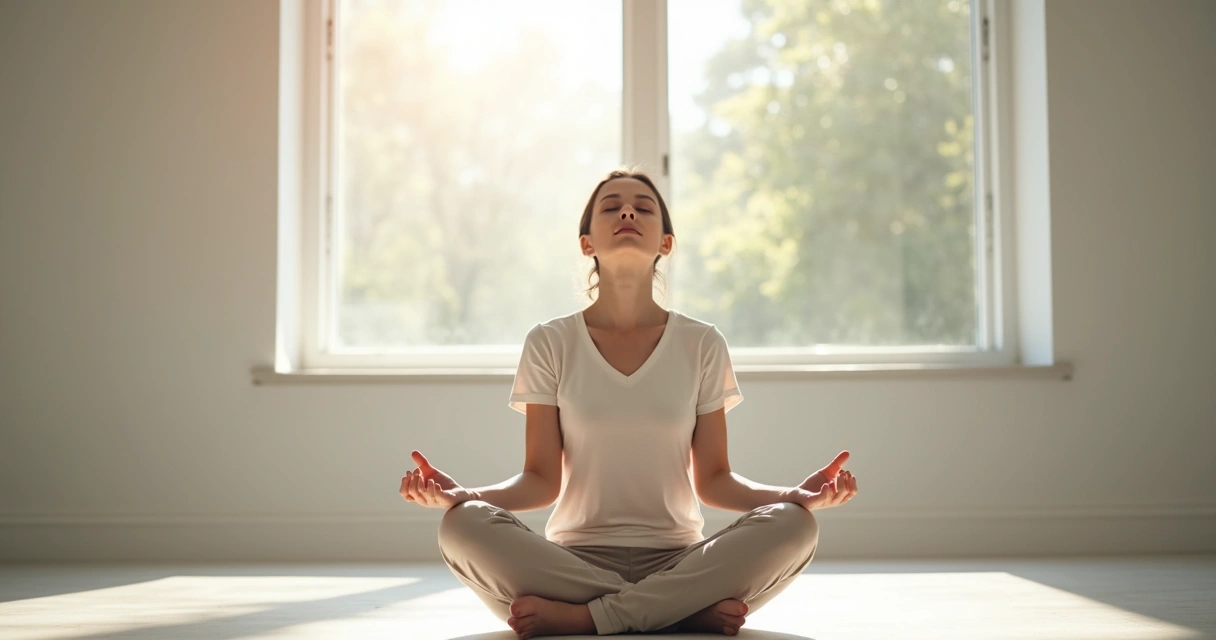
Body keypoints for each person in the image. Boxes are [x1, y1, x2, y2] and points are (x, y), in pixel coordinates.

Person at [399, 167, 859, 639]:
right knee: (461, 526)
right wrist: (466, 497)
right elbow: (540, 482)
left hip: (681, 559)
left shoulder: (701, 343)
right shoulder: (549, 342)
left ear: (665, 242)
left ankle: (593, 617)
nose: (626, 211)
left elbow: (716, 482)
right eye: (611, 205)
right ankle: (676, 611)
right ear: (586, 243)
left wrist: (791, 497)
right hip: (569, 563)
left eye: (643, 207)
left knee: (795, 526)